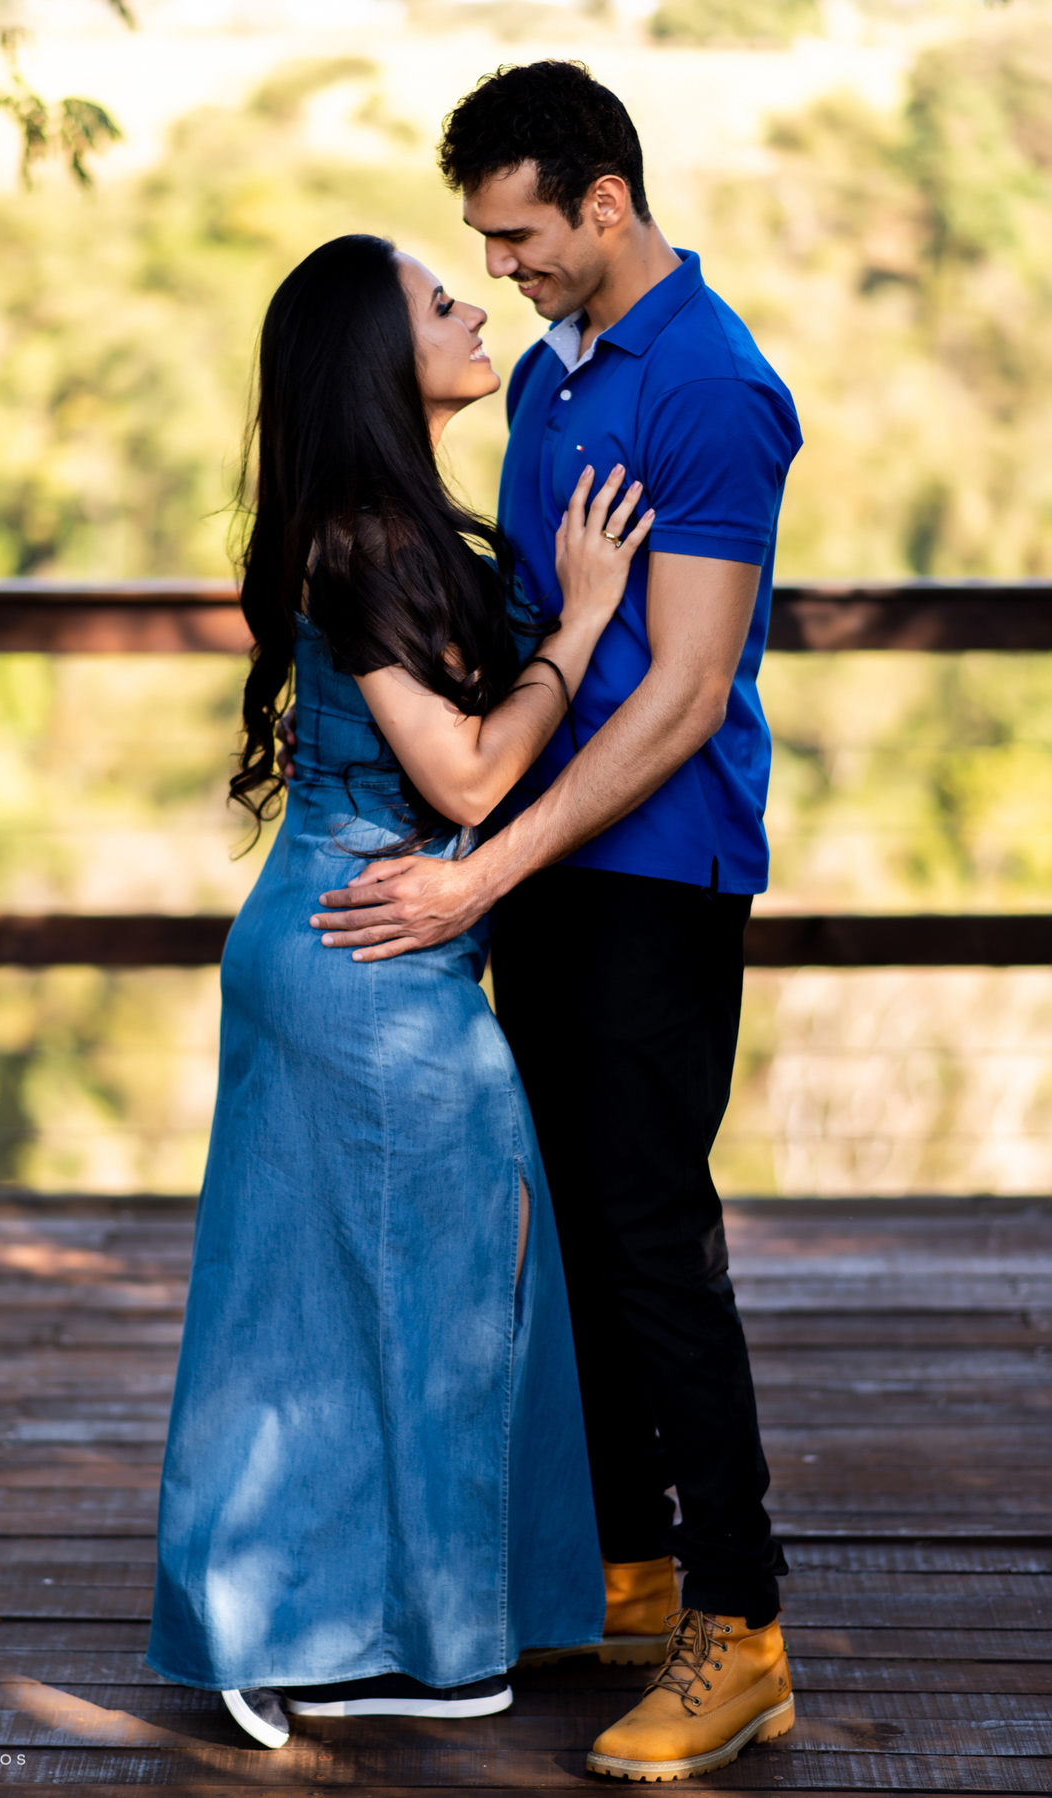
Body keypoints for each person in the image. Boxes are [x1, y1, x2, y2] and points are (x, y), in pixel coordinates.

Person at [309, 62, 803, 1782]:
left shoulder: (713, 385)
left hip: (653, 876)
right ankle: (632, 1562)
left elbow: (681, 694)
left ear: (606, 201)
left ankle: (741, 1625)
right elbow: (535, 634)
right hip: (540, 866)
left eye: (519, 235)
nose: (500, 267)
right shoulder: (548, 375)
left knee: (654, 1236)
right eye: (480, 243)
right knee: (576, 1231)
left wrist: (483, 866)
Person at [147, 232, 655, 1748]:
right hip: (361, 963)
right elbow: (470, 775)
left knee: (383, 1294)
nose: (474, 303)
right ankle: (312, 1628)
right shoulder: (364, 539)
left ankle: (423, 1630)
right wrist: (583, 622)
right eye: (442, 300)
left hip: (362, 950)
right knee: (362, 1304)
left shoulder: (389, 522)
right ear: (382, 358)